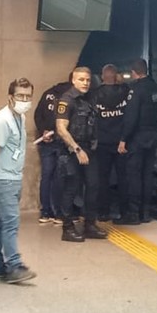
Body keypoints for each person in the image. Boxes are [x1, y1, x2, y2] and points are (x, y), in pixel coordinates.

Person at [0, 78, 38, 284]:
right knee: (10, 222)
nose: (24, 100)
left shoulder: (20, 118)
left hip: (13, 178)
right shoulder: (1, 120)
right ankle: (14, 266)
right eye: (20, 96)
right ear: (10, 97)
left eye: (27, 96)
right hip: (2, 180)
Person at [55, 66, 107, 242]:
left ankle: (90, 224)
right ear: (73, 80)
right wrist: (77, 149)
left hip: (89, 149)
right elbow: (61, 129)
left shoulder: (89, 98)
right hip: (71, 151)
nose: (85, 83)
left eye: (87, 80)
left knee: (93, 186)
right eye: (81, 79)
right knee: (71, 188)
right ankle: (67, 228)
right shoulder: (66, 100)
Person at [117, 58, 157, 224]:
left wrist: (123, 139)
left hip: (138, 137)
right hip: (152, 135)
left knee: (134, 175)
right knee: (147, 175)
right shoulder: (156, 88)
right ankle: (145, 213)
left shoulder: (136, 90)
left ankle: (133, 214)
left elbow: (131, 117)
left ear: (134, 72)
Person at [93, 64, 128, 222]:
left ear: (102, 77)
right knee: (123, 177)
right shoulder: (125, 91)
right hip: (121, 142)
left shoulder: (95, 94)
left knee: (103, 178)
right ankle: (124, 211)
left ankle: (103, 212)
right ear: (116, 76)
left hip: (102, 142)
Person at [35, 77, 72, 223]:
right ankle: (58, 213)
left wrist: (43, 131)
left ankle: (45, 212)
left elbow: (38, 115)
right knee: (59, 177)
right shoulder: (70, 97)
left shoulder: (48, 93)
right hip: (61, 141)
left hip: (46, 140)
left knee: (46, 176)